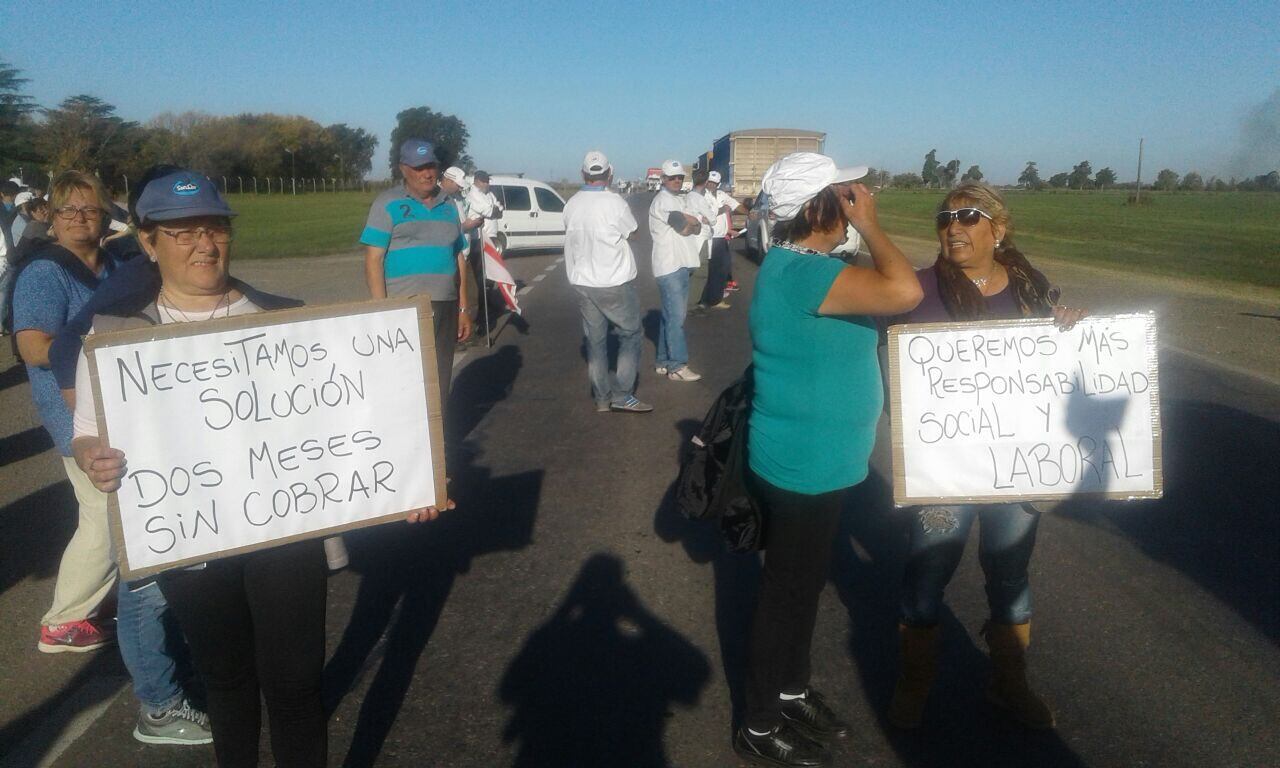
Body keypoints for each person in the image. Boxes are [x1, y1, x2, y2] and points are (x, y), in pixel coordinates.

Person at [70, 169, 454, 766]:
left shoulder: (284, 320)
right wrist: (92, 456)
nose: (204, 245)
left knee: (297, 683)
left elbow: (349, 422)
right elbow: (86, 431)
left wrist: (409, 479)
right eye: (182, 233)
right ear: (147, 242)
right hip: (191, 538)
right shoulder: (116, 334)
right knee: (227, 681)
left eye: (215, 229)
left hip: (283, 534)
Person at [735, 153, 923, 767]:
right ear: (819, 206)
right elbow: (904, 289)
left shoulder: (807, 266)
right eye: (846, 191)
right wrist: (869, 226)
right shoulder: (802, 274)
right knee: (787, 594)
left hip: (820, 462)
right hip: (803, 465)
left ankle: (791, 690)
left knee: (805, 586)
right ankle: (759, 724)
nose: (858, 195)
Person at [887, 182, 1085, 732]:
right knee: (927, 576)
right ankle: (915, 681)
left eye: (969, 217)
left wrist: (1069, 327)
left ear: (998, 229)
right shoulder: (919, 288)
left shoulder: (1031, 288)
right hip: (944, 469)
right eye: (945, 217)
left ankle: (1009, 682)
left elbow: (1059, 369)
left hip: (1014, 466)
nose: (953, 227)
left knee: (1009, 575)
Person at [12, 171, 125, 653]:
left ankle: (99, 601)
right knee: (102, 510)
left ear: (104, 215)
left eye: (90, 209)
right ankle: (64, 619)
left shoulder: (116, 266)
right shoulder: (44, 272)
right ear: (51, 218)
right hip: (69, 404)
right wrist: (100, 347)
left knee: (116, 505)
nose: (79, 219)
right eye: (67, 211)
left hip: (116, 400)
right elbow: (34, 347)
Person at [361, 139, 472, 400]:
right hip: (405, 307)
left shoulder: (448, 206)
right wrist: (382, 310)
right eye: (419, 167)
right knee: (406, 380)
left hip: (445, 304)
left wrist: (464, 308)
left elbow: (458, 257)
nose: (427, 173)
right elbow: (373, 260)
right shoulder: (387, 203)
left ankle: (440, 438)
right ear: (403, 169)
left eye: (431, 166)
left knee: (440, 378)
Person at [562, 150, 652, 414]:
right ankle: (623, 395)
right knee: (630, 334)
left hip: (582, 280)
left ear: (583, 174)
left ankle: (602, 397)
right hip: (612, 280)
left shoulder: (572, 204)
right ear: (609, 173)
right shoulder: (614, 203)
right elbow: (633, 232)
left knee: (596, 341)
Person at [646, 159, 703, 382]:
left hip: (681, 263)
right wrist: (693, 222)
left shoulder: (679, 200)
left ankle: (662, 361)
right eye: (672, 177)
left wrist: (693, 222)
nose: (677, 181)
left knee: (669, 316)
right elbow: (685, 226)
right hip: (669, 266)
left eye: (680, 177)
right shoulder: (663, 201)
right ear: (663, 179)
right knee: (677, 319)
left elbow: (696, 226)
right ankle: (677, 366)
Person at [464, 169, 504, 330]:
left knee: (490, 274)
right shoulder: (473, 195)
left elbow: (500, 210)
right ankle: (480, 311)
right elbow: (491, 211)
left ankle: (487, 303)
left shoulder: (488, 194)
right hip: (478, 239)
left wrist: (496, 209)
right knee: (480, 276)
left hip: (491, 237)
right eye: (484, 181)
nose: (487, 184)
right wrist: (495, 209)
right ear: (477, 181)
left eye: (488, 181)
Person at [702, 171, 745, 307]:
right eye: (709, 182)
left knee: (723, 269)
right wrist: (722, 209)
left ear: (718, 184)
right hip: (709, 238)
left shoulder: (721, 195)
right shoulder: (702, 196)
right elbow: (708, 215)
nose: (711, 185)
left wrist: (750, 213)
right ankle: (708, 299)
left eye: (714, 183)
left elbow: (736, 205)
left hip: (721, 238)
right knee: (712, 270)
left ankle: (716, 297)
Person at [683, 169, 716, 312]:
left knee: (689, 268)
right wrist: (708, 219)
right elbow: (713, 220)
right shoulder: (700, 199)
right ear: (706, 182)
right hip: (701, 237)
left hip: (689, 236)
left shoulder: (687, 196)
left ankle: (685, 300)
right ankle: (691, 305)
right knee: (701, 271)